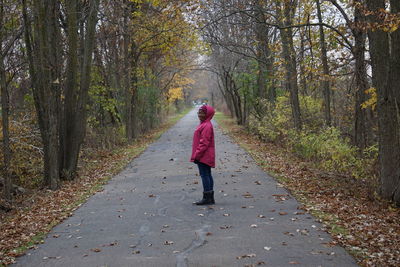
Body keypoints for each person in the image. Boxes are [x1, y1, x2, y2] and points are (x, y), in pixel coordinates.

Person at [190, 105, 216, 205]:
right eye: (199, 112)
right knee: (207, 174)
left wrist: (197, 155)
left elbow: (204, 143)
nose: (199, 114)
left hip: (203, 155)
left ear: (207, 114)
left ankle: (207, 198)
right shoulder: (204, 124)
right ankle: (210, 197)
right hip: (204, 154)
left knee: (205, 175)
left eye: (202, 113)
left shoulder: (206, 126)